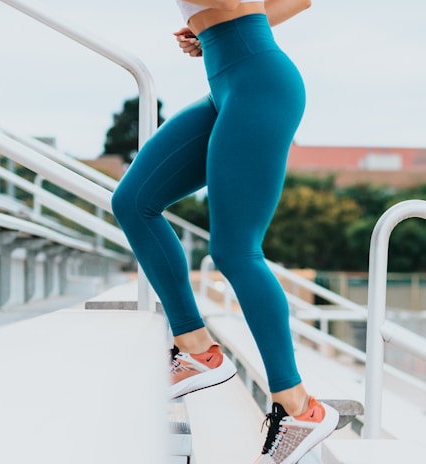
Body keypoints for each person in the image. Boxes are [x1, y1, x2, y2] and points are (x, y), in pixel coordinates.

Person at [111, 1, 339, 462]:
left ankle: (298, 407)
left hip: (259, 82)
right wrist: (208, 26)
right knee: (134, 202)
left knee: (236, 251)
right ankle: (195, 347)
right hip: (227, 81)